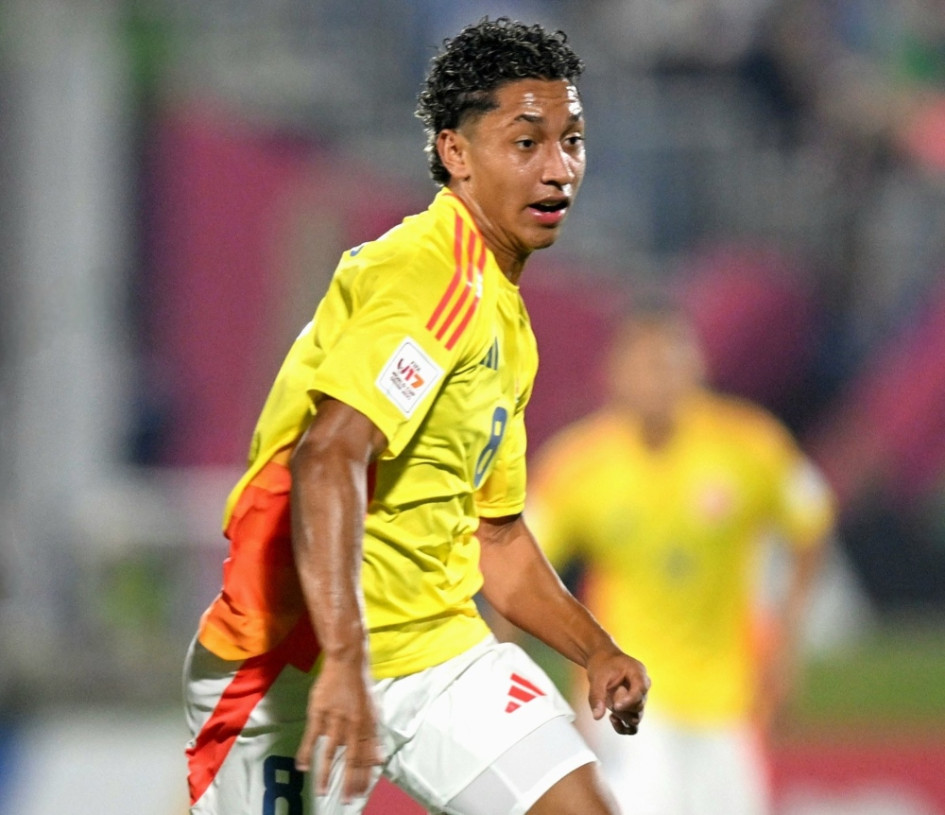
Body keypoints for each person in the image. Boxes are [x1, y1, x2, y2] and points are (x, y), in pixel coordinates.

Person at [183, 17, 650, 815]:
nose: (557, 168)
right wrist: (343, 657)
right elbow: (329, 455)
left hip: (435, 653)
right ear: (455, 153)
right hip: (290, 662)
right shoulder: (428, 274)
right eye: (526, 142)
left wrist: (593, 649)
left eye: (570, 141)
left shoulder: (504, 319)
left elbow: (495, 537)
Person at [528, 299, 835, 815]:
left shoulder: (748, 445)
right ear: (615, 374)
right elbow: (522, 564)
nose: (658, 380)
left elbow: (812, 521)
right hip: (627, 690)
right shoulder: (579, 464)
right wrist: (505, 655)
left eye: (669, 364)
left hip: (727, 694)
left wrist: (786, 642)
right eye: (645, 365)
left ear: (696, 368)